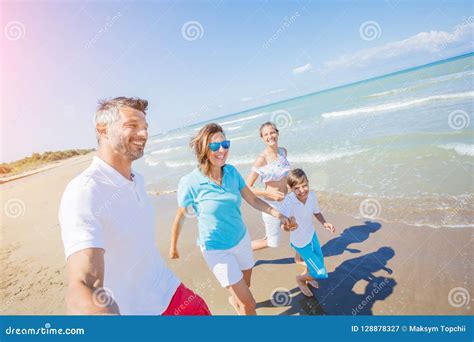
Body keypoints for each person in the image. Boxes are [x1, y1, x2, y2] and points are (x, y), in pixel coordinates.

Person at [59, 97, 210, 315]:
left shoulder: (137, 179)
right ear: (103, 130)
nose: (144, 134)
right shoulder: (83, 191)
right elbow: (83, 283)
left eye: (145, 127)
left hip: (173, 292)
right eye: (132, 125)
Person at [169, 123, 296, 315]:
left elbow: (252, 199)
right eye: (214, 146)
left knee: (246, 284)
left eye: (225, 144)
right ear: (203, 149)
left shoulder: (231, 172)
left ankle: (234, 298)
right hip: (216, 248)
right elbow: (180, 217)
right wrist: (173, 246)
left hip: (241, 239)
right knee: (249, 303)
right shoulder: (191, 182)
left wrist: (278, 214)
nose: (222, 150)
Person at [282, 168, 336, 297]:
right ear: (291, 189)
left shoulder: (312, 195)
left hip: (312, 235)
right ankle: (300, 280)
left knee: (319, 261)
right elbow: (283, 225)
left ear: (308, 182)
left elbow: (316, 212)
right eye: (297, 188)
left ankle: (307, 277)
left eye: (304, 185)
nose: (302, 190)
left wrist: (324, 223)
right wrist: (288, 227)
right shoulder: (289, 202)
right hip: (300, 243)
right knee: (319, 272)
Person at [246, 122, 292, 251]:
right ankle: (239, 250)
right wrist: (269, 194)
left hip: (287, 201)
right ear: (262, 138)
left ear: (277, 133)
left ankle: (300, 258)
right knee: (271, 242)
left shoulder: (283, 152)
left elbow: (285, 176)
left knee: (294, 227)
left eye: (272, 132)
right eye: (266, 134)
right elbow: (247, 187)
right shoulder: (262, 159)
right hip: (272, 206)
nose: (270, 136)